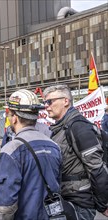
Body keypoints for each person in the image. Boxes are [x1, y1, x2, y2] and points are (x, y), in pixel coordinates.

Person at [0, 89, 62, 219]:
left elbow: (4, 206)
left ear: (15, 118)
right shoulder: (53, 146)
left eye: (9, 115)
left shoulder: (11, 150)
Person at [43, 84, 108, 219]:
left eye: (50, 101)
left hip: (80, 203)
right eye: (45, 102)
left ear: (65, 101)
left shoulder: (78, 127)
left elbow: (96, 168)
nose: (46, 106)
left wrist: (104, 204)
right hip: (66, 198)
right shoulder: (59, 128)